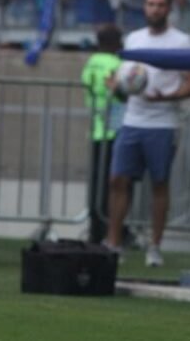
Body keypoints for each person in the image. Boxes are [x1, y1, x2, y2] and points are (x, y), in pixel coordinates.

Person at [103, 0, 190, 267]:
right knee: (117, 180)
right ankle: (113, 244)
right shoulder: (134, 38)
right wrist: (116, 86)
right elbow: (124, 79)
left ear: (169, 9)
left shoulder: (181, 42)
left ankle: (155, 247)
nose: (155, 9)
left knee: (159, 183)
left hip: (163, 123)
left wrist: (167, 97)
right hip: (131, 120)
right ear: (144, 7)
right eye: (150, 4)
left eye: (160, 4)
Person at [81, 24, 124, 243]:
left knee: (96, 182)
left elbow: (85, 82)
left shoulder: (91, 61)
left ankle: (94, 228)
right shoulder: (117, 64)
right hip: (115, 128)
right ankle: (111, 228)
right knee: (114, 183)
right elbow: (122, 91)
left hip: (96, 126)